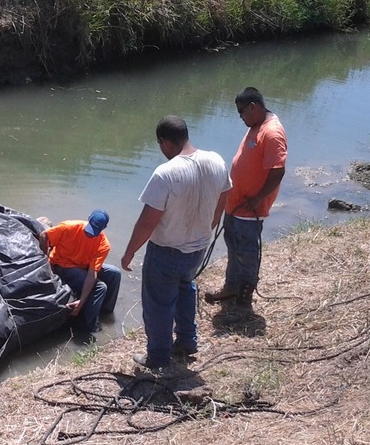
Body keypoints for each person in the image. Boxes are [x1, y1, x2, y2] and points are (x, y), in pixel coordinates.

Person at [121, 116, 231, 369]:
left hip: (166, 250)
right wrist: (210, 224)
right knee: (185, 288)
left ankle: (158, 357)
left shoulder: (165, 174)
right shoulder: (216, 160)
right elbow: (225, 193)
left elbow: (147, 222)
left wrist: (129, 253)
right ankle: (187, 342)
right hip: (198, 248)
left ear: (165, 142)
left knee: (158, 304)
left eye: (160, 145)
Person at [205, 87, 287, 309]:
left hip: (250, 210)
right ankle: (231, 287)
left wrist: (257, 199)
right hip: (236, 204)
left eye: (242, 112)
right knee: (233, 247)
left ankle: (244, 295)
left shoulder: (272, 132)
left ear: (253, 107)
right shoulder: (257, 125)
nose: (240, 117)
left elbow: (278, 171)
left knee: (247, 252)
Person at [39, 209, 122, 334]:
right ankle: (89, 327)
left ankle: (105, 312)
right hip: (62, 264)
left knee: (115, 273)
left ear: (104, 228)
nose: (90, 234)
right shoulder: (69, 227)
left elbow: (91, 273)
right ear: (88, 219)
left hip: (83, 265)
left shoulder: (103, 245)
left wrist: (81, 301)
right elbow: (43, 235)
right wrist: (45, 259)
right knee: (100, 287)